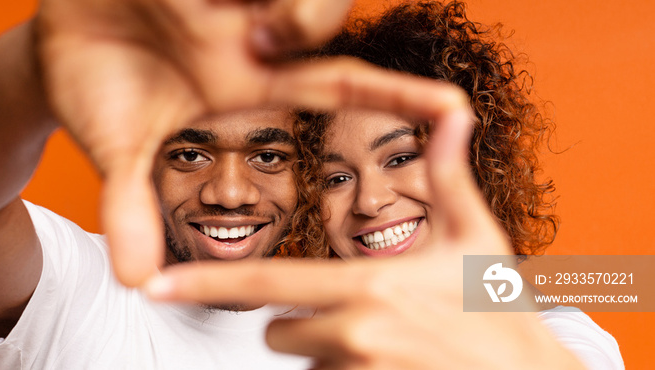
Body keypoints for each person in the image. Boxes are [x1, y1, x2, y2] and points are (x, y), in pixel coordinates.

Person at [0, 0, 471, 368]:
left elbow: (544, 291)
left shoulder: (350, 301)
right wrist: (33, 64)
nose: (228, 193)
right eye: (190, 154)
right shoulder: (77, 286)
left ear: (305, 172)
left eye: (268, 156)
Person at [145, 2, 624, 369]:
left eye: (400, 157)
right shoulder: (289, 322)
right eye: (335, 178)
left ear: (474, 161)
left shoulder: (548, 326)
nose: (371, 201)